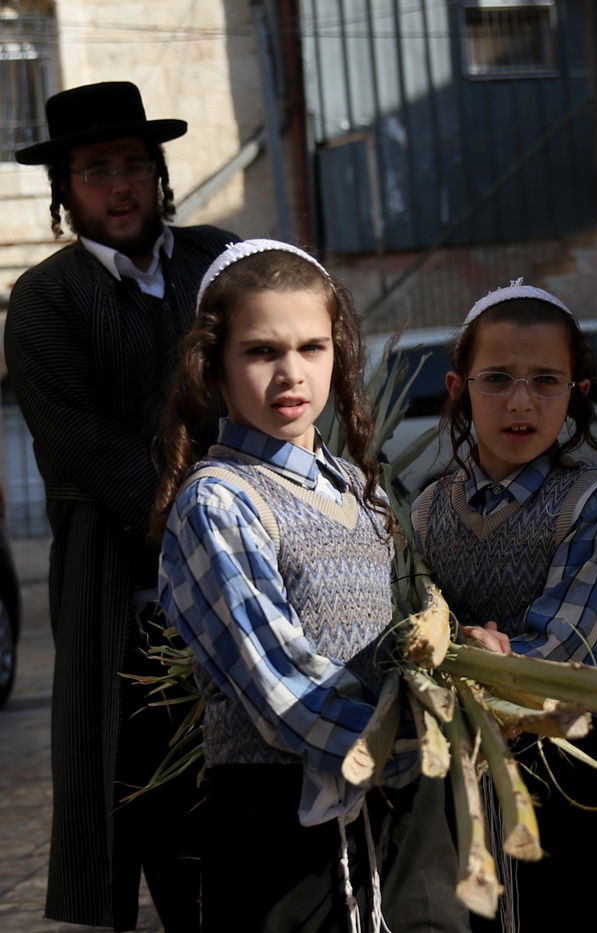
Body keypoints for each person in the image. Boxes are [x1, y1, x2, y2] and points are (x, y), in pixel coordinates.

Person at [151, 239, 466, 933]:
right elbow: (280, 684)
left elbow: (399, 637)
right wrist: (408, 739)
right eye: (262, 351)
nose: (291, 372)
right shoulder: (218, 502)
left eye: (312, 347)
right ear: (214, 365)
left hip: (396, 802)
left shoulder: (355, 485)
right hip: (279, 825)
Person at [3, 80, 237, 931]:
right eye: (97, 169)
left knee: (246, 805)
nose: (121, 185)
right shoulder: (44, 301)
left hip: (245, 594)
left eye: (136, 164)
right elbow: (87, 450)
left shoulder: (221, 262)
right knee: (147, 798)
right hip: (119, 594)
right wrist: (219, 525)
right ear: (64, 190)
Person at [411, 281, 597, 932]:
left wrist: (490, 661)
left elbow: (570, 643)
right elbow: (416, 618)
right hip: (471, 783)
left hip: (582, 780)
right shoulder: (426, 511)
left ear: (579, 392)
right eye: (497, 378)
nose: (521, 400)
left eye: (546, 380)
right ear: (458, 389)